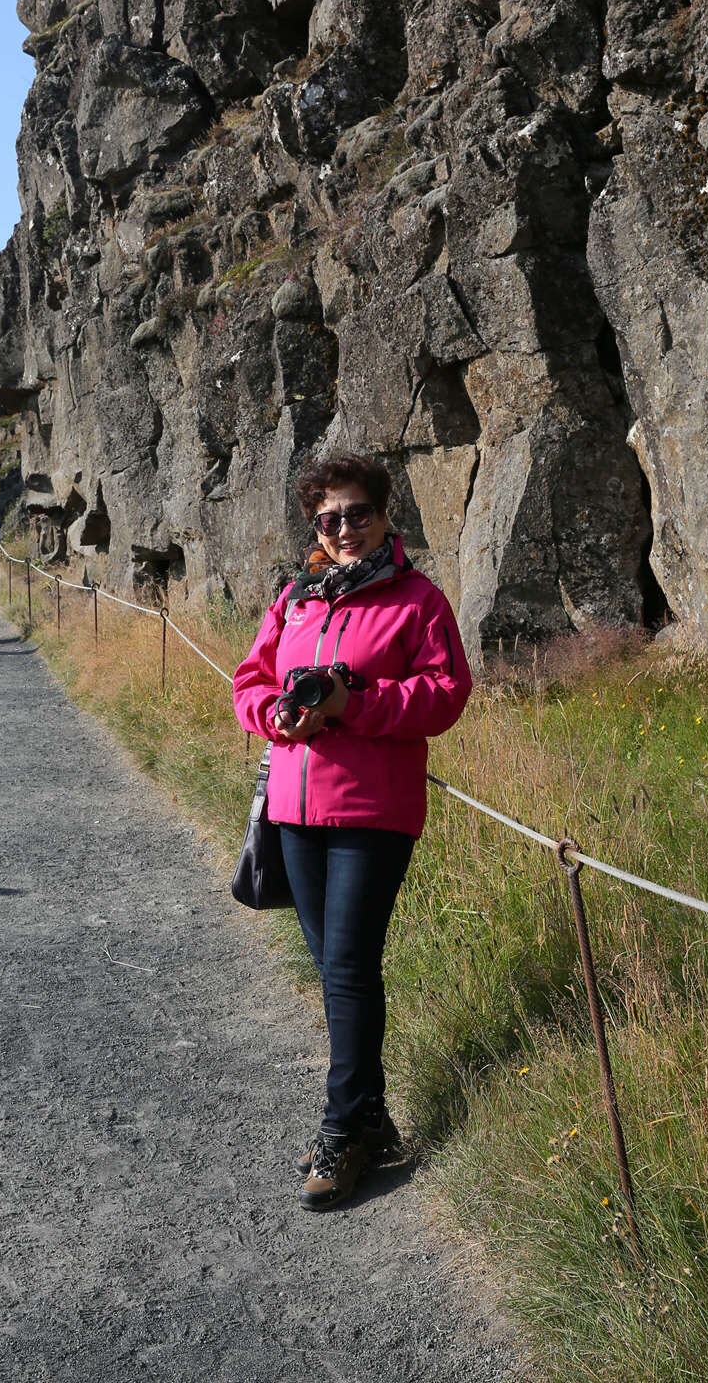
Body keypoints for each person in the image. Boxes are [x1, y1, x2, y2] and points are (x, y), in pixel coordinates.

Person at [232, 453, 472, 1210]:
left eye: (356, 514)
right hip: (294, 811)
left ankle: (343, 1130)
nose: (342, 529)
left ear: (383, 515)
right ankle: (369, 1118)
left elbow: (444, 695)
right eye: (328, 518)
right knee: (334, 969)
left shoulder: (417, 599)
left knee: (347, 966)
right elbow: (252, 680)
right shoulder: (296, 599)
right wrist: (275, 714)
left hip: (372, 811)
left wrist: (351, 705)